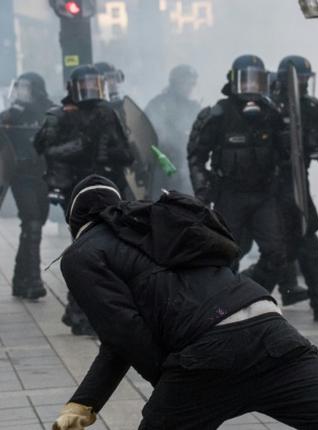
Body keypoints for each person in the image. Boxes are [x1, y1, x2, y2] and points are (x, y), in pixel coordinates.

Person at [51, 174, 318, 430]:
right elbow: (124, 335)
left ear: (75, 221)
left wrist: (169, 381)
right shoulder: (154, 227)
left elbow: (123, 330)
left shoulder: (83, 253)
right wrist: (84, 403)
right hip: (271, 330)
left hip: (207, 354)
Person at [243, 55, 318, 321]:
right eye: (299, 79)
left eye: (304, 80)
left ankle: (317, 300)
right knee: (278, 251)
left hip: (297, 183)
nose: (302, 84)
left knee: (306, 242)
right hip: (270, 188)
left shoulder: (308, 106)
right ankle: (247, 298)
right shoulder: (266, 106)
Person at [34, 64, 134, 336]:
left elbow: (126, 150)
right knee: (86, 251)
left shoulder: (106, 112)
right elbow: (45, 148)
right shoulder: (62, 115)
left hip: (108, 188)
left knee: (112, 252)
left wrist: (115, 151)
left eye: (95, 84)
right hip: (78, 192)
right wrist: (81, 145)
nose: (90, 91)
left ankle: (94, 311)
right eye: (85, 85)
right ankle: (78, 313)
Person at [187, 55, 297, 299]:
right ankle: (224, 304)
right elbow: (196, 155)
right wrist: (202, 190)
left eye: (256, 82)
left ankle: (253, 294)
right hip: (230, 196)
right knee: (227, 255)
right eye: (244, 81)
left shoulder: (272, 114)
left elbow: (288, 155)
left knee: (277, 253)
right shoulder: (218, 114)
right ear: (233, 82)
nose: (250, 88)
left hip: (264, 195)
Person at [0, 72, 55, 300]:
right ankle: (33, 280)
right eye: (19, 86)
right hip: (20, 176)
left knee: (36, 222)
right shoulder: (12, 114)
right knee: (31, 220)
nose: (21, 91)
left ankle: (19, 280)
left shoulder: (49, 111)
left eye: (26, 87)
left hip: (42, 175)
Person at [145, 64, 202, 194]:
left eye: (192, 83)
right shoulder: (158, 104)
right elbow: (146, 133)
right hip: (161, 166)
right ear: (175, 82)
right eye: (186, 82)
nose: (189, 87)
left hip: (185, 167)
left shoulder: (194, 107)